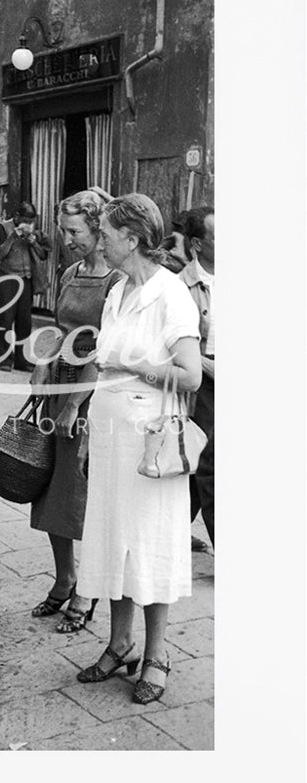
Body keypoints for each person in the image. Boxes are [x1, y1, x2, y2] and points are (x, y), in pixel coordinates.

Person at [73, 193, 202, 704]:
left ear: (132, 239)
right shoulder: (118, 290)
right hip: (109, 433)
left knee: (148, 543)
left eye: (105, 233)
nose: (99, 239)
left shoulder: (171, 294)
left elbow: (190, 375)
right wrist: (87, 429)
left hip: (150, 443)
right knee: (112, 538)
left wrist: (136, 368)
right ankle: (119, 642)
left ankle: (157, 653)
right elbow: (102, 368)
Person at [29, 191, 122, 632]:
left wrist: (72, 405)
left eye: (75, 232)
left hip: (88, 392)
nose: (66, 239)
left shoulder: (116, 281)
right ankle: (64, 577)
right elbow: (54, 327)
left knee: (80, 492)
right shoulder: (69, 272)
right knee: (50, 487)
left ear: (98, 230)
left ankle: (87, 588)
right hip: (57, 385)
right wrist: (41, 364)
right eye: (63, 231)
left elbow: (104, 351)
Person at [180, 206, 215, 547]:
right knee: (209, 462)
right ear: (197, 244)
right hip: (204, 380)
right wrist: (208, 366)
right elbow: (178, 345)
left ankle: (175, 527)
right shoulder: (182, 285)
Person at [0, 201, 51, 372]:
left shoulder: (34, 231)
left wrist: (33, 241)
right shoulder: (4, 228)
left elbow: (42, 256)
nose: (27, 223)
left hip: (26, 280)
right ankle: (5, 360)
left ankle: (21, 360)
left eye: (30, 220)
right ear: (16, 216)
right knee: (6, 320)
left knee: (24, 322)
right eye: (24, 219)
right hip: (8, 279)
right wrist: (13, 237)